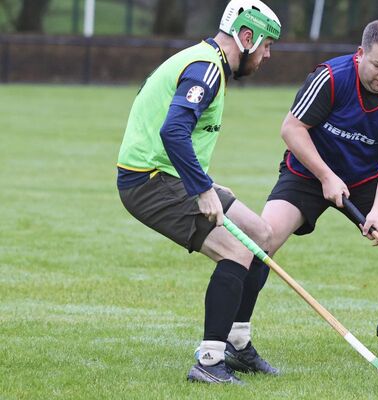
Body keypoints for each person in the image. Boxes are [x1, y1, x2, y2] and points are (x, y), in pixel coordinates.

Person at [116, 0, 281, 385]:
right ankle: (209, 360)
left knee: (261, 235)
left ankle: (238, 344)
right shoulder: (207, 69)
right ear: (246, 37)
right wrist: (202, 189)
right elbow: (172, 131)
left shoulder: (209, 63)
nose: (268, 55)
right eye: (267, 45)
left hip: (169, 175)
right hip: (148, 181)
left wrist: (206, 182)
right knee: (236, 252)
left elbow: (179, 135)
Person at [245, 19, 378, 362]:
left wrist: (376, 210)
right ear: (360, 54)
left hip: (365, 180)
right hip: (308, 174)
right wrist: (326, 176)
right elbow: (292, 129)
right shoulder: (331, 77)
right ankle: (233, 338)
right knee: (261, 240)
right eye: (377, 65)